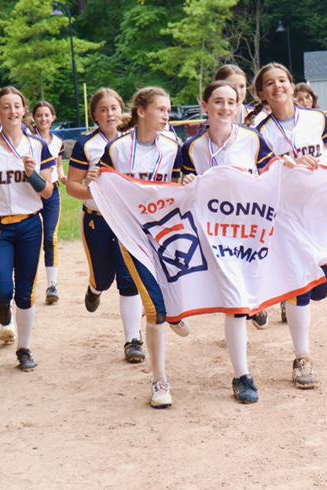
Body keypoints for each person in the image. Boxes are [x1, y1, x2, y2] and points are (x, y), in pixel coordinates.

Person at [248, 62, 327, 389]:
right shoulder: (258, 131)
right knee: (302, 285)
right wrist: (283, 164)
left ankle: (286, 294)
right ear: (261, 93)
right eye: (269, 83)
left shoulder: (316, 119)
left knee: (318, 289)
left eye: (282, 80)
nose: (277, 86)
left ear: (292, 85)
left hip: (318, 212)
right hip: (284, 215)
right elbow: (255, 172)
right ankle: (302, 356)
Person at [181, 80, 275, 404]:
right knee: (235, 302)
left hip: (248, 230)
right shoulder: (192, 148)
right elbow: (180, 192)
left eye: (231, 102)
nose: (224, 108)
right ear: (204, 105)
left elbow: (273, 178)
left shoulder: (252, 140)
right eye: (217, 101)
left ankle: (258, 306)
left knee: (247, 295)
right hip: (215, 236)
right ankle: (242, 375)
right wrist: (188, 183)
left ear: (239, 107)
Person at [99, 87, 186, 409]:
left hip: (167, 233)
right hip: (133, 236)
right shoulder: (119, 149)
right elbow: (99, 184)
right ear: (141, 111)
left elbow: (182, 184)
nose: (167, 115)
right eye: (161, 109)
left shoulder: (173, 146)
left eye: (168, 109)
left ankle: (174, 311)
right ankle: (159, 380)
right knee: (154, 310)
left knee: (170, 294)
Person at [0, 86, 55, 371]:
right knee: (3, 293)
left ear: (24, 110)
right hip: (0, 227)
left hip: (29, 224)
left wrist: (33, 175)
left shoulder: (37, 146)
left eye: (17, 106)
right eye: (6, 106)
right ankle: (3, 310)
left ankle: (24, 349)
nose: (12, 111)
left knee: (25, 293)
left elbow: (48, 192)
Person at [66, 88, 147, 365]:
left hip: (125, 221)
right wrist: (90, 186)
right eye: (103, 109)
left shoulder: (133, 140)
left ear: (122, 109)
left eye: (114, 108)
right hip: (97, 219)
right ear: (95, 115)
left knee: (128, 280)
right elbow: (71, 187)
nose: (109, 114)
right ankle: (95, 288)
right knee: (104, 277)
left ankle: (132, 339)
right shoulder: (87, 146)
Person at [212, 65, 269, 331]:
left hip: (253, 200)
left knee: (256, 253)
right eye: (231, 86)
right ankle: (241, 305)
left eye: (242, 86)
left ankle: (262, 300)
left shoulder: (257, 120)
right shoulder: (215, 119)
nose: (238, 91)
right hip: (223, 207)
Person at [32, 101, 66, 304]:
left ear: (53, 117)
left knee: (51, 237)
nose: (43, 119)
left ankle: (52, 285)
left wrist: (62, 176)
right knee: (31, 239)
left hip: (52, 193)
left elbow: (59, 165)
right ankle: (26, 283)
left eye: (47, 115)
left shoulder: (58, 141)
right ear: (34, 118)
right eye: (39, 115)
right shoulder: (29, 140)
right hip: (32, 193)